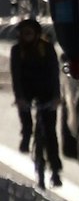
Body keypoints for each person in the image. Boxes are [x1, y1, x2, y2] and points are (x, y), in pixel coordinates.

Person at [11, 17, 61, 183]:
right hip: (27, 91)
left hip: (46, 91)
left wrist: (55, 97)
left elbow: (55, 74)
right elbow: (16, 76)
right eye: (24, 33)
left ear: (37, 34)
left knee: (50, 132)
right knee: (26, 118)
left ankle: (55, 169)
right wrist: (19, 98)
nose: (27, 36)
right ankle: (26, 137)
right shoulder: (17, 51)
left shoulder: (46, 49)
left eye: (30, 33)